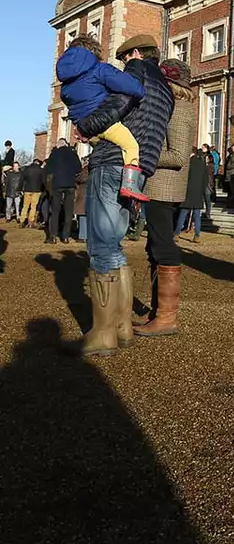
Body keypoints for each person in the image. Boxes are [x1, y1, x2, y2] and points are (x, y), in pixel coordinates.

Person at [79, 35, 173, 359]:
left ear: (134, 54)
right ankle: (121, 327)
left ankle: (103, 334)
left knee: (101, 246)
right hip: (139, 170)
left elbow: (118, 104)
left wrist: (88, 126)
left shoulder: (135, 70)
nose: (121, 67)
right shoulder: (166, 89)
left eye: (123, 60)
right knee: (114, 244)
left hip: (111, 162)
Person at [133, 58, 198, 338]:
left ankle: (166, 318)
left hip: (165, 189)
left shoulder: (180, 110)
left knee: (163, 246)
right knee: (153, 247)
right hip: (157, 188)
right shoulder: (172, 108)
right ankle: (157, 311)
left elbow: (179, 157)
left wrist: (141, 154)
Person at [55, 35, 150, 201]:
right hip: (106, 124)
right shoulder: (100, 70)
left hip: (87, 129)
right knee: (131, 146)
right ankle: (130, 184)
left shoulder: (66, 85)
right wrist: (139, 88)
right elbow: (131, 86)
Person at [45, 141, 83, 245]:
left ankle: (53, 236)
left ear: (58, 145)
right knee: (68, 211)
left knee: (55, 211)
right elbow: (79, 169)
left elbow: (48, 169)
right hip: (70, 184)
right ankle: (65, 237)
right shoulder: (73, 153)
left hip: (57, 184)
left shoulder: (54, 154)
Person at [176, 146, 209, 243]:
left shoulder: (188, 164)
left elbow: (183, 178)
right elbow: (206, 181)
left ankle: (177, 234)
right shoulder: (203, 165)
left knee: (182, 214)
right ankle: (197, 235)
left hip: (188, 192)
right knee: (197, 215)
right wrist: (202, 191)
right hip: (198, 193)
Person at [19, 158, 45, 228]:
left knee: (25, 206)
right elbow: (43, 181)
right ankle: (30, 222)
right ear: (38, 163)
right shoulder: (41, 170)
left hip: (27, 190)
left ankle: (22, 221)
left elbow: (21, 179)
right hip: (36, 190)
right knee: (33, 206)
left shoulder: (26, 169)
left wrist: (20, 189)